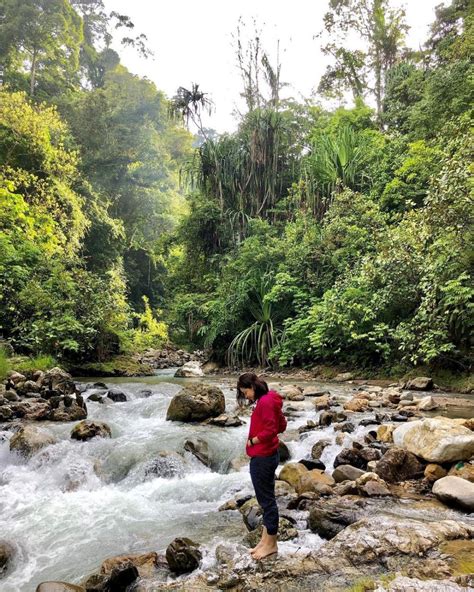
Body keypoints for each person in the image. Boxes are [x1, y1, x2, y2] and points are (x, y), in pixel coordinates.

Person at [237, 372, 287, 560]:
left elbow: (271, 429)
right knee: (266, 500)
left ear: (252, 387)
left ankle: (271, 545)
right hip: (269, 454)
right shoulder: (271, 399)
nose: (246, 396)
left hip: (263, 457)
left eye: (246, 392)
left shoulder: (265, 402)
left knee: (267, 502)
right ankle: (265, 542)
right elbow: (281, 425)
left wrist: (253, 440)